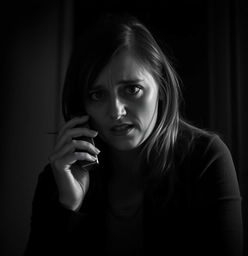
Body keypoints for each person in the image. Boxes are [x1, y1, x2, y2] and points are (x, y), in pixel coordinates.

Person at [24, 13, 243, 256]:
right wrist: (67, 206)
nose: (116, 111)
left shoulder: (206, 159)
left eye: (132, 89)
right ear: (82, 106)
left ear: (162, 87)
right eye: (97, 95)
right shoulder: (58, 178)